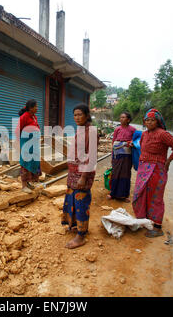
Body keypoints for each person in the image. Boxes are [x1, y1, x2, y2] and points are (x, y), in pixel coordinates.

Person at [132, 109, 173, 238]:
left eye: (152, 120)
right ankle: (144, 220)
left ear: (158, 121)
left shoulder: (163, 134)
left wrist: (168, 161)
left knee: (155, 197)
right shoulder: (144, 134)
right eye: (147, 120)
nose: (149, 122)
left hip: (157, 170)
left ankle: (157, 227)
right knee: (141, 194)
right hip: (143, 169)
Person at [61, 104, 97, 249]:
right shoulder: (81, 130)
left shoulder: (91, 132)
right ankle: (75, 225)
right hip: (73, 172)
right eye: (75, 115)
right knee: (72, 198)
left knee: (81, 201)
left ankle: (81, 235)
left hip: (83, 173)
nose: (77, 117)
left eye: (80, 114)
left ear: (87, 115)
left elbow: (92, 157)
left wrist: (83, 177)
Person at [107, 112, 136, 202]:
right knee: (115, 173)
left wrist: (131, 143)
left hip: (127, 155)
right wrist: (112, 156)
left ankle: (124, 195)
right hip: (117, 154)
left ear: (128, 119)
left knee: (126, 173)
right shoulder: (117, 129)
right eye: (120, 117)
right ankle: (113, 193)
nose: (121, 119)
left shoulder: (133, 130)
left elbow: (136, 142)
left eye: (123, 117)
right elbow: (113, 142)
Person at [17, 99, 41, 193]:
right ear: (30, 108)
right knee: (26, 163)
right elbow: (18, 131)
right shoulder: (24, 117)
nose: (37, 108)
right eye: (35, 107)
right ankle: (24, 186)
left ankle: (31, 182)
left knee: (34, 161)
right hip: (26, 143)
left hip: (34, 143)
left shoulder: (34, 116)